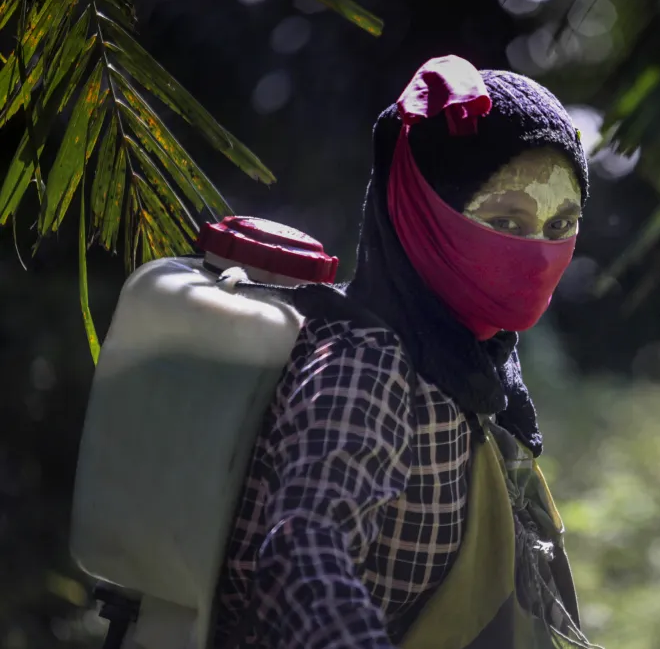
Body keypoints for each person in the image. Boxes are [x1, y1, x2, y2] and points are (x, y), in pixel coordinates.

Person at [213, 55, 597, 649]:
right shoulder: (366, 365)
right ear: (421, 213)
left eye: (560, 225)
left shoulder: (472, 360)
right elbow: (303, 547)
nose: (539, 254)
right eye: (507, 222)